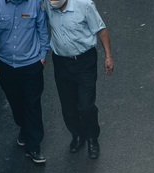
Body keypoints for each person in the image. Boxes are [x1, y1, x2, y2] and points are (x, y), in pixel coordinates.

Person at [0, 0, 50, 164]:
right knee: (16, 102)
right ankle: (23, 127)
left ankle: (34, 146)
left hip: (31, 64)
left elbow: (42, 31)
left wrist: (42, 56)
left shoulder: (36, 3)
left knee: (33, 104)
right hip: (6, 65)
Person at [44, 0, 113, 159]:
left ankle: (92, 138)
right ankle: (77, 134)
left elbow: (101, 30)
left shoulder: (85, 5)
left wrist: (108, 56)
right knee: (67, 106)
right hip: (61, 62)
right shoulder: (47, 4)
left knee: (86, 106)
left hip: (84, 62)